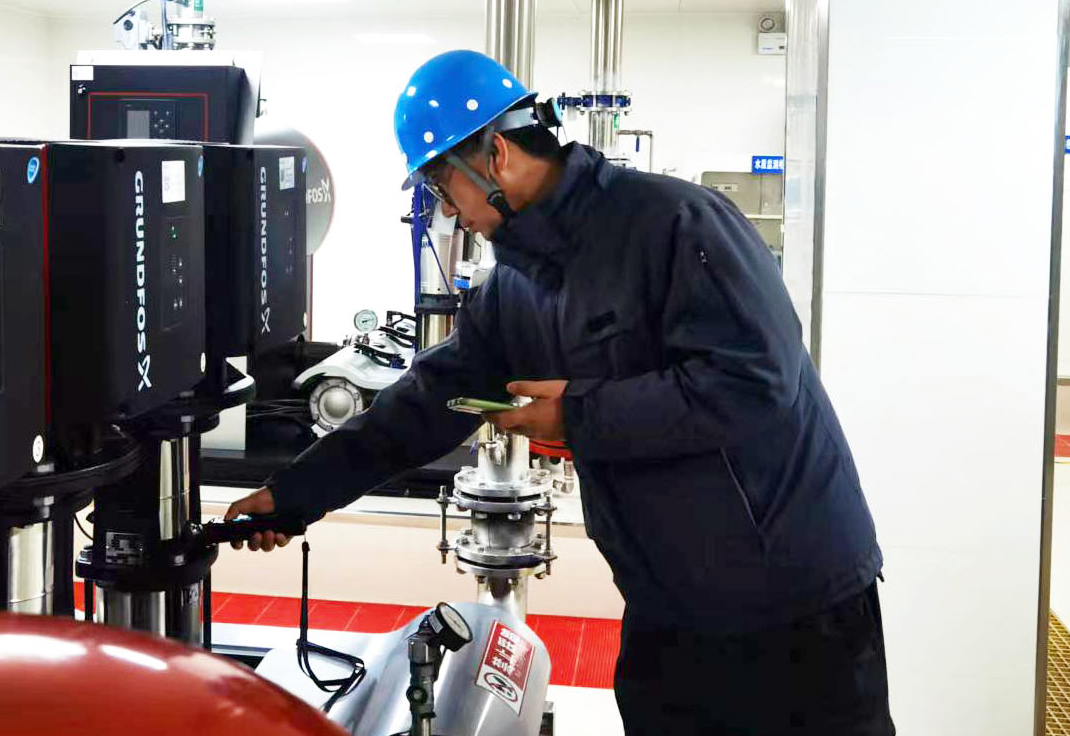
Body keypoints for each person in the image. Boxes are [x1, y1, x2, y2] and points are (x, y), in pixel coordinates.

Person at [227, 49, 895, 736]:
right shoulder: (515, 286)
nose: (446, 210)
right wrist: (296, 494)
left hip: (794, 607)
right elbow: (429, 400)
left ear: (495, 156)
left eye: (441, 183)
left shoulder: (675, 223)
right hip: (670, 608)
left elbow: (753, 382)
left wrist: (578, 414)